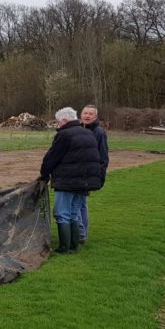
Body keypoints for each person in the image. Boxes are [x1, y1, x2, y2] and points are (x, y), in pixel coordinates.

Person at [39, 107, 102, 253]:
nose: (58, 125)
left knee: (62, 214)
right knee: (74, 213)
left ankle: (63, 247)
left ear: (65, 120)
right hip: (85, 182)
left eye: (58, 122)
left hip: (67, 182)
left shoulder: (64, 135)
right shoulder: (88, 134)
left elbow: (51, 158)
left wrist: (44, 174)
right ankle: (74, 246)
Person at [78, 104, 109, 244]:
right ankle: (82, 232)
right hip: (77, 172)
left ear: (95, 117)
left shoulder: (99, 132)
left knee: (78, 204)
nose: (87, 116)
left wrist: (99, 176)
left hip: (88, 175)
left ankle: (81, 233)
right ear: (81, 115)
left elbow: (103, 157)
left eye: (90, 114)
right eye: (85, 113)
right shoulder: (78, 129)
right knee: (81, 203)